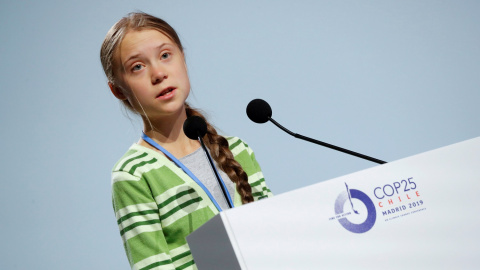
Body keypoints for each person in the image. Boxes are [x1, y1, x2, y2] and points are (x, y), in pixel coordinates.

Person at [100, 12, 273, 270]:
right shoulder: (133, 174)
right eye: (138, 66)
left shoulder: (236, 149)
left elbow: (277, 233)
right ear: (118, 90)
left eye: (165, 55)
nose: (158, 73)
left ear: (183, 58)